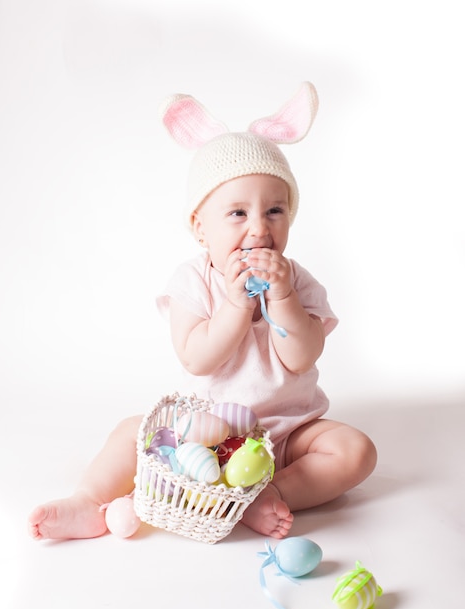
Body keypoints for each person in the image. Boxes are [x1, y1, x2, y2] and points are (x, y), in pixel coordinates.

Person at [28, 83, 377, 542]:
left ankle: (263, 494)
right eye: (237, 213)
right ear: (199, 227)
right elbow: (197, 358)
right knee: (132, 432)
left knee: (355, 450)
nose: (259, 227)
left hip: (290, 434)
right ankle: (88, 503)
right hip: (206, 436)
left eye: (275, 210)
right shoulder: (192, 281)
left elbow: (301, 358)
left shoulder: (297, 281)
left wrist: (284, 297)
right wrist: (236, 304)